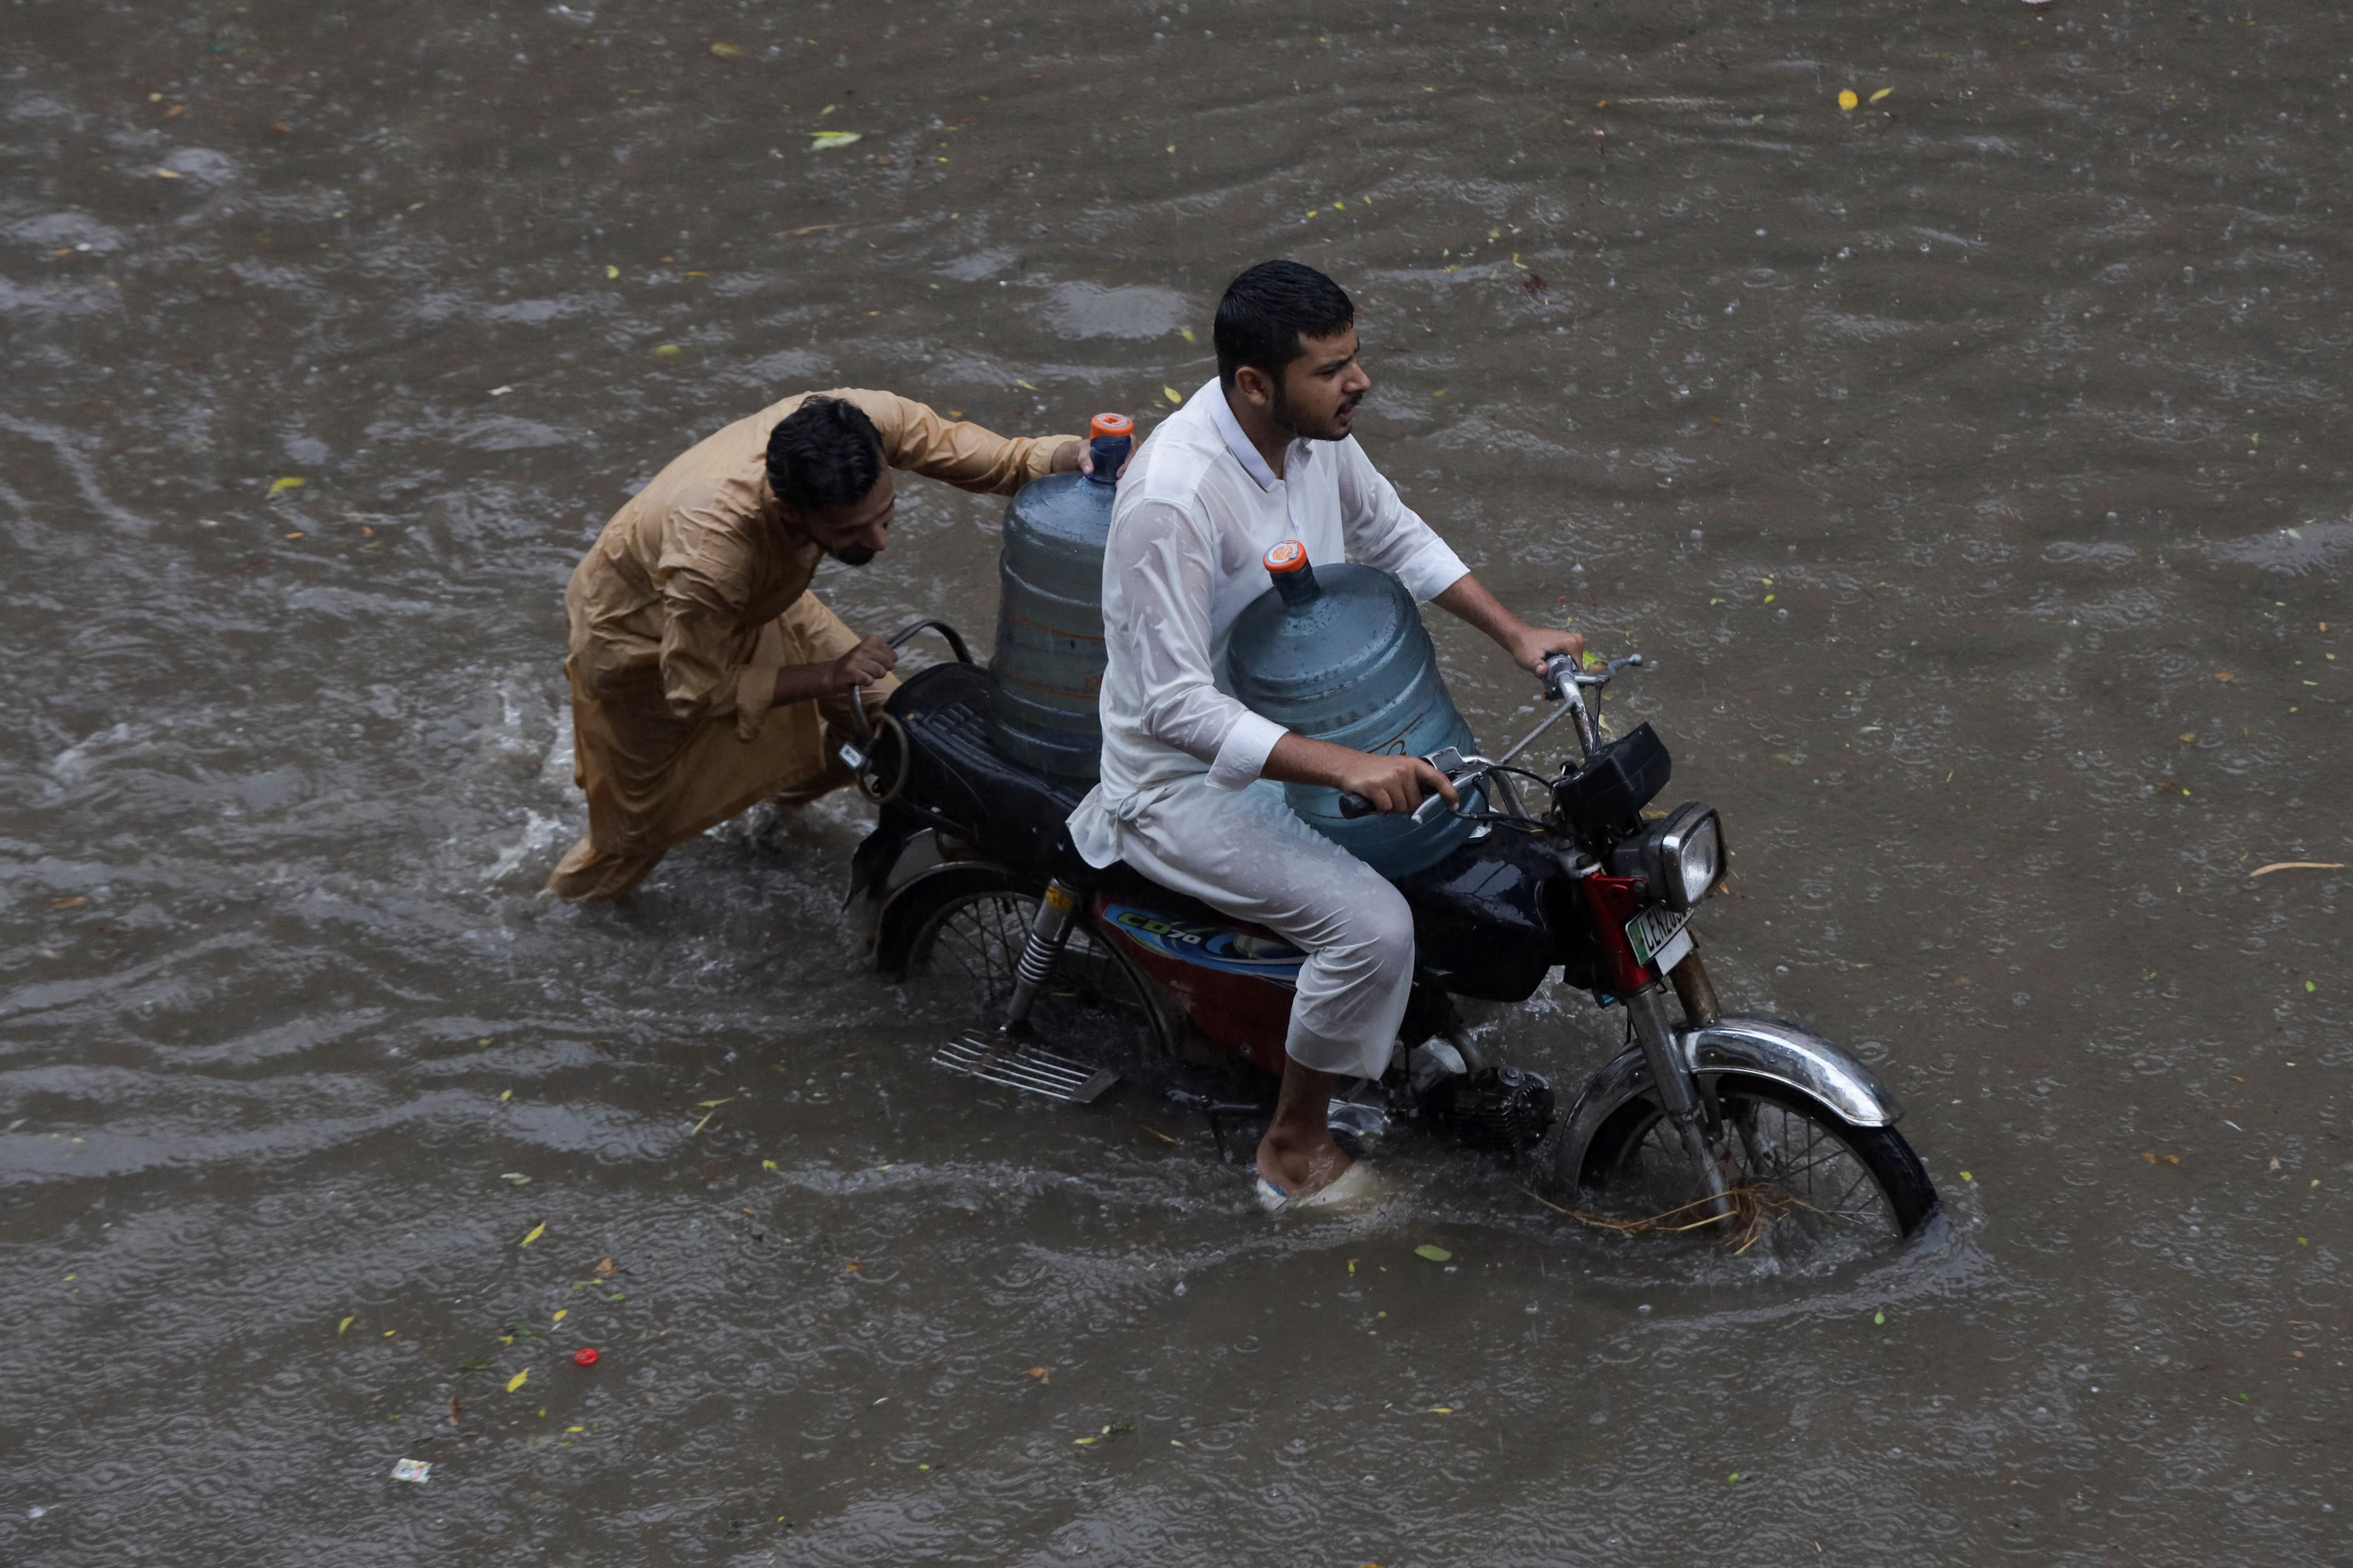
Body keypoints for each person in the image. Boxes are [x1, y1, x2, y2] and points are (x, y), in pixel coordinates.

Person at [1067, 261, 1584, 1206]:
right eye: (1330, 368)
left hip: (1298, 739)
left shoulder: (1313, 438)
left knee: (1475, 830)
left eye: (1355, 358)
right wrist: (1346, 763)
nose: (1360, 384)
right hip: (1184, 784)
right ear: (1253, 385)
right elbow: (1170, 708)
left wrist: (1515, 634)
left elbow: (1391, 532)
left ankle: (1398, 1048)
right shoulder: (1173, 499)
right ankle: (1292, 1148)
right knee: (1371, 927)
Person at [549, 391, 1085, 902]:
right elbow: (695, 690)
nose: (879, 542)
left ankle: (776, 815)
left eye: (886, 514)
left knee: (897, 731)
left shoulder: (864, 421)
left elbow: (1003, 461)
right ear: (788, 514)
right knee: (634, 837)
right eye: (851, 531)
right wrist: (829, 675)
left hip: (762, 603)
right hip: (641, 647)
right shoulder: (711, 556)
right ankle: (559, 913)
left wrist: (1076, 455)